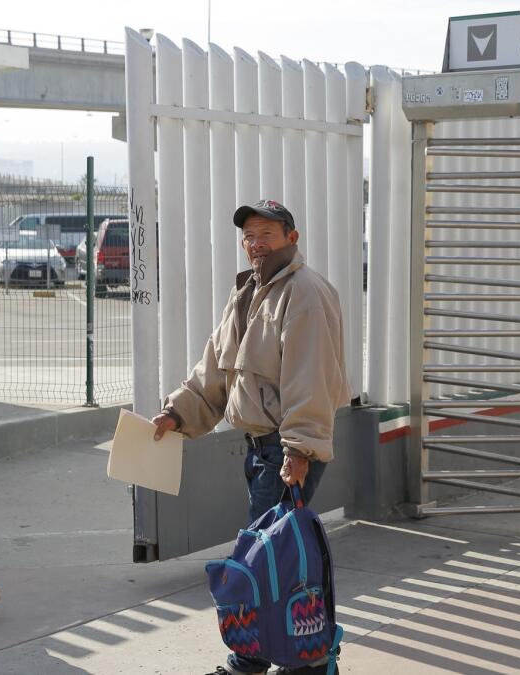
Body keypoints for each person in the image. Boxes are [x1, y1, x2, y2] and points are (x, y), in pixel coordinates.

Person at [151, 199, 350, 675]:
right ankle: (283, 658)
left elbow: (311, 376)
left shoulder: (304, 292)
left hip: (285, 451)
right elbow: (217, 366)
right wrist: (178, 412)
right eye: (250, 237)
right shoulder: (248, 292)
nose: (256, 244)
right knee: (271, 560)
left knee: (267, 562)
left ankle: (270, 662)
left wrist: (299, 449)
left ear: (291, 238)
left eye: (268, 235)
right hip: (262, 451)